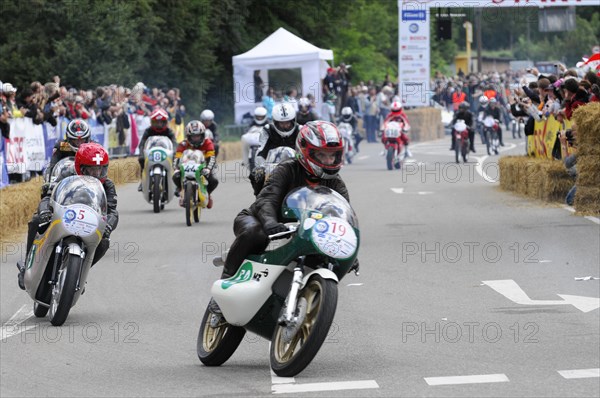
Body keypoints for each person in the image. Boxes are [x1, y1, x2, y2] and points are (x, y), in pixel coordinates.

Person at [209, 121, 350, 314]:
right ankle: (224, 285)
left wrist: (347, 247)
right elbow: (266, 200)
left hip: (301, 231)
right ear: (306, 151)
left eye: (332, 155)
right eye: (321, 155)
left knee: (322, 257)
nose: (327, 161)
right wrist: (270, 223)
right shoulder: (287, 168)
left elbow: (342, 215)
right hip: (260, 219)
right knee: (255, 234)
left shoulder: (336, 184)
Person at [20, 143, 118, 289]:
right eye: (91, 169)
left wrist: (109, 225)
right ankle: (27, 265)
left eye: (100, 169)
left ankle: (78, 273)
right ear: (80, 167)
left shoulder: (108, 186)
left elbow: (112, 211)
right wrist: (45, 211)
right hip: (64, 215)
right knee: (36, 221)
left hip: (89, 224)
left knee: (104, 243)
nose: (96, 174)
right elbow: (47, 197)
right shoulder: (66, 174)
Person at [249, 103, 300, 195]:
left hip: (297, 166)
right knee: (255, 175)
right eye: (282, 123)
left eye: (287, 123)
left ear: (293, 121)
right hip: (273, 167)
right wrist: (261, 167)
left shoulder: (300, 130)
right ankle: (260, 197)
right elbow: (261, 151)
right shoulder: (267, 130)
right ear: (275, 122)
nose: (285, 126)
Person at [172, 120, 217, 209]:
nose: (196, 138)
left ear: (203, 135)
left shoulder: (208, 143)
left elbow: (212, 158)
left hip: (203, 167)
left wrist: (208, 169)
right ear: (188, 137)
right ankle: (180, 188)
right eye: (193, 137)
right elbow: (176, 158)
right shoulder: (183, 144)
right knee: (175, 176)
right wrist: (176, 168)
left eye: (198, 136)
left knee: (214, 181)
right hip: (186, 166)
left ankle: (208, 193)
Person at [44, 119, 93, 188]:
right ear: (69, 139)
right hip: (66, 181)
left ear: (87, 138)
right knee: (46, 191)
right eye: (76, 140)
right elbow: (52, 165)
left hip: (88, 180)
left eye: (82, 139)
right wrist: (48, 182)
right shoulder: (61, 146)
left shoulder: (93, 147)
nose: (79, 143)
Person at [137, 108, 177, 191]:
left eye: (161, 122)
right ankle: (143, 181)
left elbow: (174, 143)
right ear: (152, 122)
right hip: (151, 153)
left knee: (175, 163)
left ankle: (174, 182)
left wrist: (174, 152)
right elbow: (142, 144)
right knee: (141, 160)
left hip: (166, 154)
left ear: (165, 122)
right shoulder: (148, 131)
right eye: (156, 122)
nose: (159, 124)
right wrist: (141, 154)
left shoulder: (169, 131)